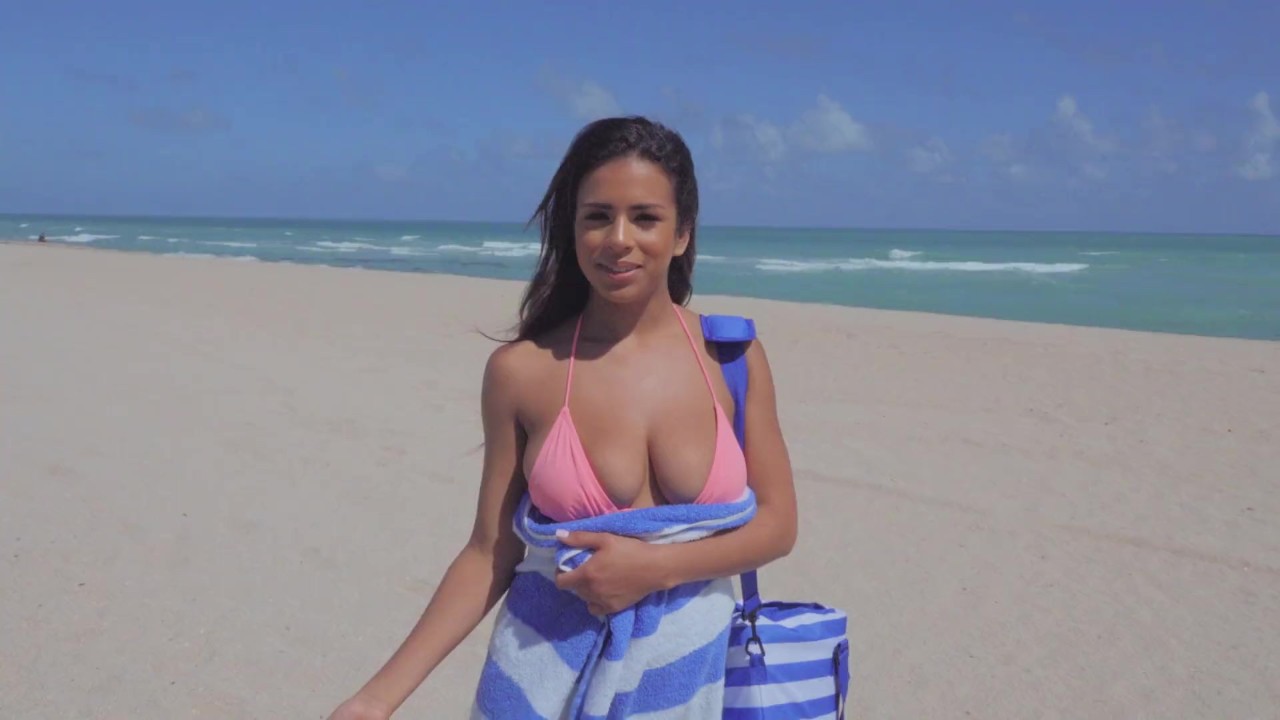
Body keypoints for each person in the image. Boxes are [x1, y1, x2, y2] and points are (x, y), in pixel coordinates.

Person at [328, 116, 798, 719]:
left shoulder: (730, 358)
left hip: (686, 686)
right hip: (538, 681)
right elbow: (489, 553)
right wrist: (374, 700)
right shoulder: (523, 372)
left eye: (645, 218)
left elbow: (778, 525)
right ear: (572, 231)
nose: (618, 239)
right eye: (597, 216)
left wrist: (655, 568)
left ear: (682, 233)